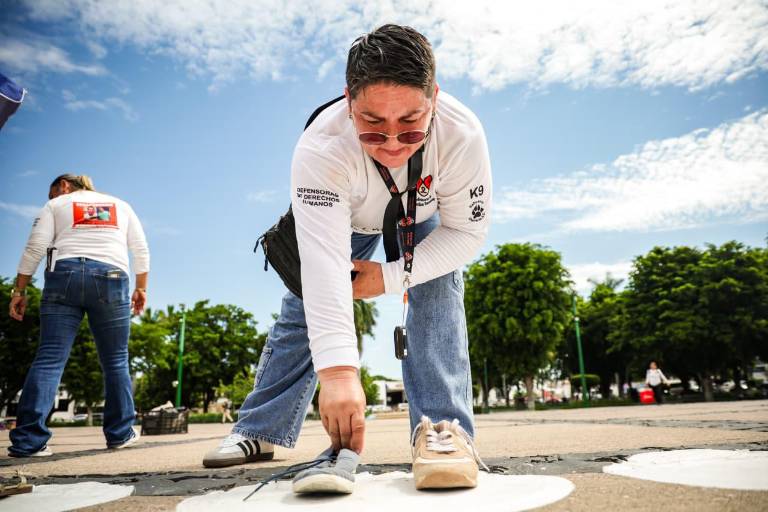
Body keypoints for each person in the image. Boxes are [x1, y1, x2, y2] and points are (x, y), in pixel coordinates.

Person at [203, 24, 492, 492]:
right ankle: (259, 428)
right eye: (373, 125)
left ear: (434, 97)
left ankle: (443, 428)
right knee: (304, 307)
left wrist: (390, 277)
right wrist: (338, 375)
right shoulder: (321, 145)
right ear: (348, 100)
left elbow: (468, 233)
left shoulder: (462, 134)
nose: (395, 144)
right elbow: (322, 272)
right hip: (345, 220)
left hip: (421, 212)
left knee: (438, 286)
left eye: (412, 124)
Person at [7, 174, 149, 457]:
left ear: (63, 186)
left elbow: (35, 247)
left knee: (49, 357)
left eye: (52, 194)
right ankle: (120, 433)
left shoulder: (56, 205)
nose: (51, 199)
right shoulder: (120, 205)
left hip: (64, 275)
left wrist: (19, 291)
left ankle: (28, 441)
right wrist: (141, 288)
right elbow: (140, 249)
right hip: (111, 276)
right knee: (116, 360)